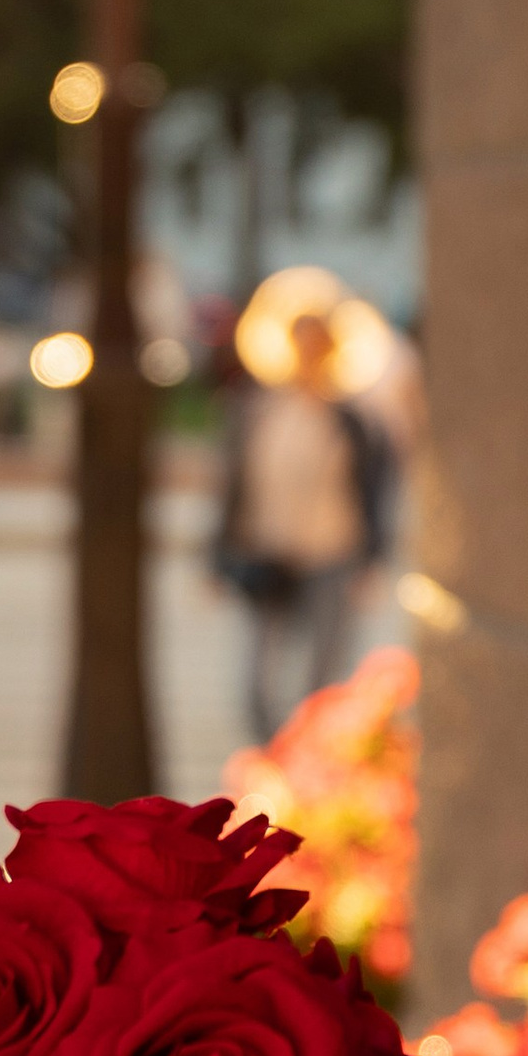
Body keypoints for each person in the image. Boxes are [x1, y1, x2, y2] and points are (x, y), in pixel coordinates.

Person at [217, 305, 389, 739]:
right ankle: (271, 753)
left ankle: (310, 759)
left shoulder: (352, 419)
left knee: (324, 673)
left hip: (332, 551)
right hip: (270, 552)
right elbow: (235, 484)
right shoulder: (261, 411)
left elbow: (372, 489)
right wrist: (220, 552)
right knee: (259, 675)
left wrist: (373, 558)